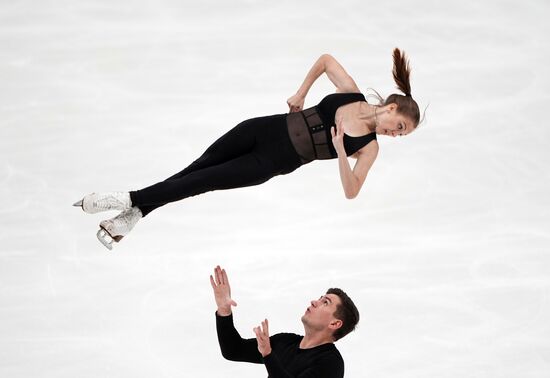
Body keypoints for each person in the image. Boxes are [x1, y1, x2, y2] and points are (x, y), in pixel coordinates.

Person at [74, 49, 421, 249]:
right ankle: (134, 215)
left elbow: (351, 190)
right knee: (195, 170)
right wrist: (301, 93)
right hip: (261, 128)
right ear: (392, 109)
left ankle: (125, 199)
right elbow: (327, 60)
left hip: (268, 162)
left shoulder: (368, 148)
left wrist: (341, 151)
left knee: (200, 181)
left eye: (402, 135)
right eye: (401, 128)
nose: (397, 135)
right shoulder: (352, 94)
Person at [209, 265, 359, 378]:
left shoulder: (331, 363)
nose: (314, 302)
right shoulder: (284, 342)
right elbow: (233, 350)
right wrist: (224, 310)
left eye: (325, 302)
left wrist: (268, 354)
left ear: (334, 323)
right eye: (320, 298)